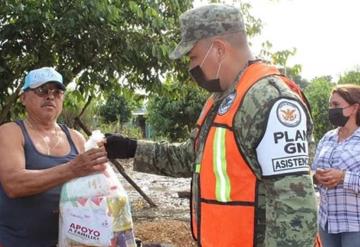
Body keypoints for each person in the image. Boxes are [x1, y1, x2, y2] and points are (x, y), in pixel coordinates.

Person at [104, 4, 318, 247]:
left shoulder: (269, 100)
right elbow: (190, 157)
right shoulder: (222, 99)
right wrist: (131, 148)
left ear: (218, 49)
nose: (190, 67)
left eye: (193, 57)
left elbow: (296, 210)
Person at [0, 67, 108, 247]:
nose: (50, 96)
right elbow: (14, 184)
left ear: (62, 99)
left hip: (68, 241)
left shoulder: (76, 137)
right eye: (41, 90)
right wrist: (72, 168)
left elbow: (89, 191)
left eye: (57, 92)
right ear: (23, 98)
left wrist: (100, 170)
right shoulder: (10, 132)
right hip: (16, 241)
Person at [312, 84, 360, 247]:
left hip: (355, 225)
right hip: (327, 222)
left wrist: (343, 177)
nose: (331, 109)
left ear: (354, 108)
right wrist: (316, 177)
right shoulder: (327, 138)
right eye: (330, 105)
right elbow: (313, 169)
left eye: (336, 105)